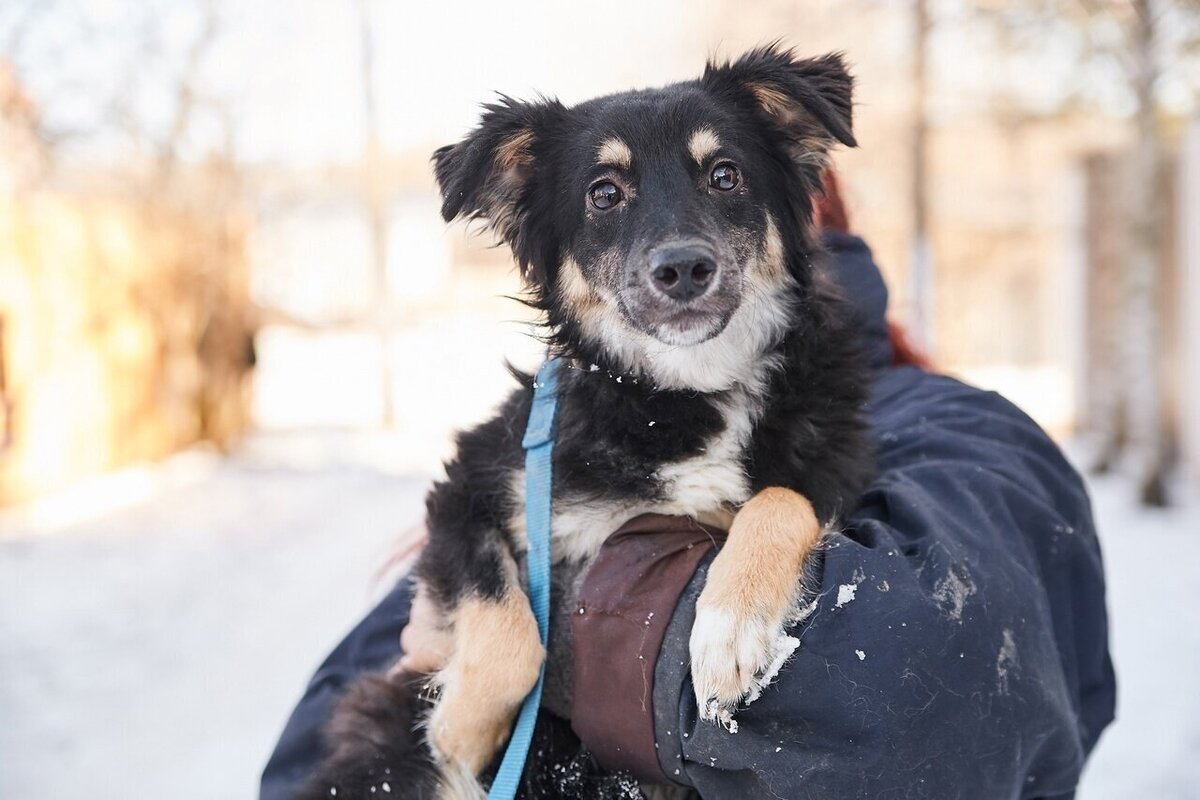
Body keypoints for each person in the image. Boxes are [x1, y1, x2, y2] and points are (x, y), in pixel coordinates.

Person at [261, 176, 1115, 800]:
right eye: (612, 198)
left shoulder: (958, 431)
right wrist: (474, 640)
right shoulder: (559, 431)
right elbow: (316, 754)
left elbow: (928, 691)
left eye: (723, 182)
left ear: (801, 204)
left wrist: (565, 636)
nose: (677, 242)